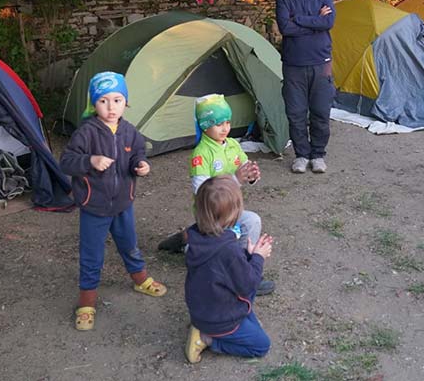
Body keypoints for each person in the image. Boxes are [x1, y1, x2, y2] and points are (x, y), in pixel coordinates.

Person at [59, 71, 167, 331]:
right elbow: (66, 162)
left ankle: (140, 279)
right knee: (92, 254)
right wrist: (90, 161)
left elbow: (138, 153)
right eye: (103, 101)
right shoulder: (86, 133)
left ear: (125, 102)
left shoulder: (129, 131)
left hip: (123, 204)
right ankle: (87, 302)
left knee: (130, 244)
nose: (111, 107)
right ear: (94, 104)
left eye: (117, 100)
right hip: (94, 207)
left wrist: (142, 164)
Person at [157, 94, 275, 295]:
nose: (225, 128)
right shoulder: (201, 154)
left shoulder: (233, 145)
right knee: (221, 241)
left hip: (231, 210)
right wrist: (235, 179)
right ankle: (232, 272)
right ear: (204, 125)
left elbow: (243, 168)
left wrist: (251, 175)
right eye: (218, 124)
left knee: (252, 221)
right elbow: (203, 193)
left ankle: (243, 265)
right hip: (210, 215)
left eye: (227, 122)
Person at [184, 175, 273, 363]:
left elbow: (223, 271)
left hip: (204, 309)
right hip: (219, 319)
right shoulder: (228, 250)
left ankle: (209, 328)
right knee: (261, 345)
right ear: (234, 214)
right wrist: (258, 257)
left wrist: (247, 255)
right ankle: (208, 340)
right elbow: (249, 285)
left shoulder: (196, 237)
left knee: (250, 320)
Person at [275, 0, 336, 174]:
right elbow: (285, 27)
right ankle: (301, 154)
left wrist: (298, 19)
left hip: (321, 63)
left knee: (321, 111)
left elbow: (328, 23)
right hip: (294, 66)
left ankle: (318, 154)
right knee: (296, 113)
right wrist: (313, 21)